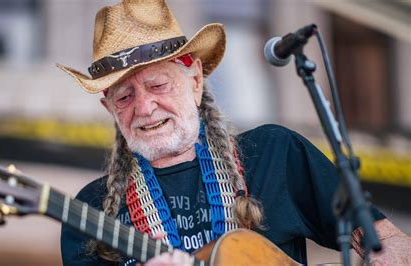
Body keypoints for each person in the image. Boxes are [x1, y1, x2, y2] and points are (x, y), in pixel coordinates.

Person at [58, 0, 411, 265]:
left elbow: (392, 245)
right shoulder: (90, 211)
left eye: (157, 85)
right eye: (125, 96)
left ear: (195, 81)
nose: (144, 106)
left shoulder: (275, 152)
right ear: (110, 109)